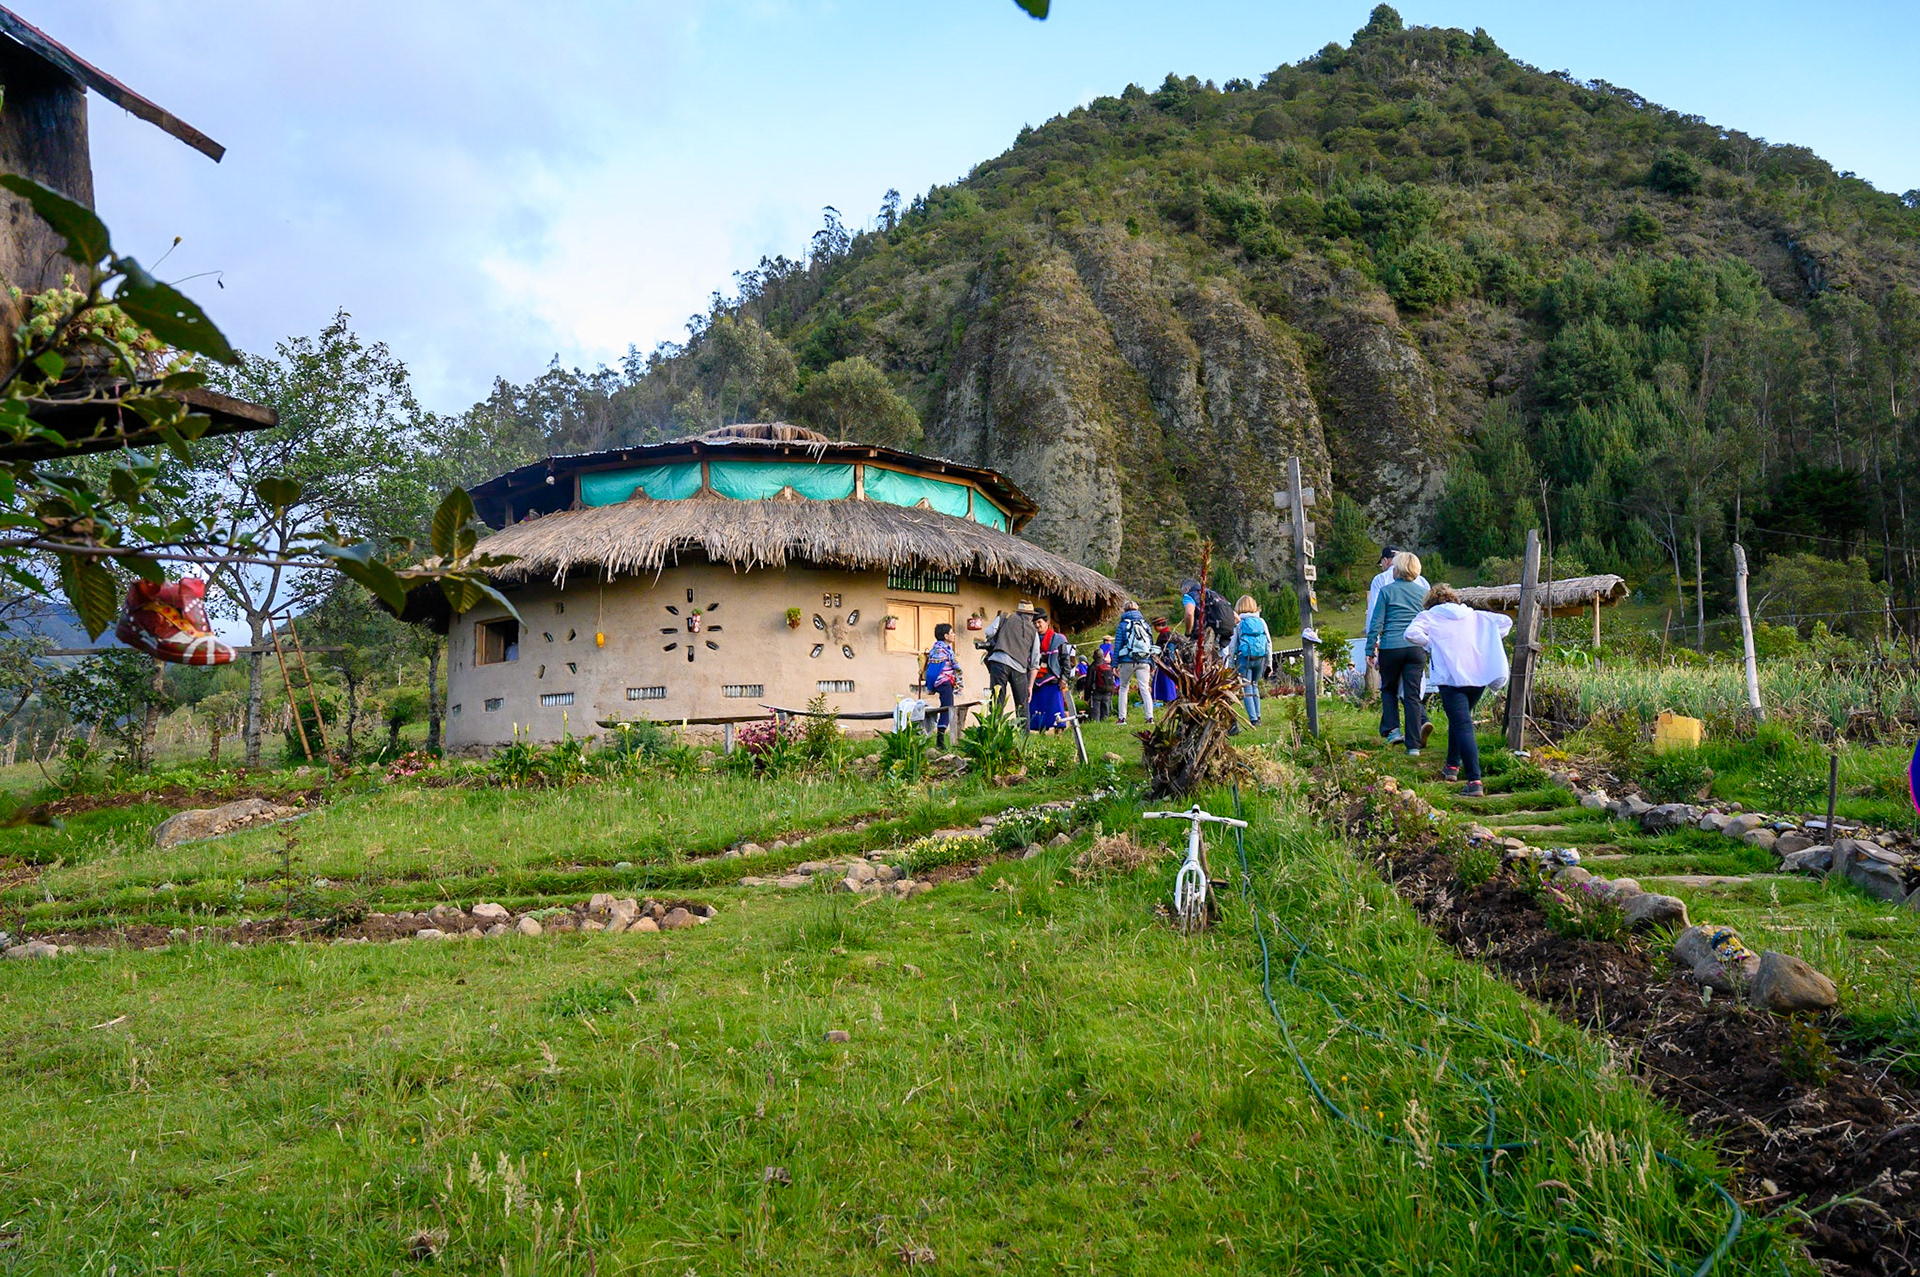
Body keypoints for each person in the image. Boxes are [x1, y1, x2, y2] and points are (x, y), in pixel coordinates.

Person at [1404, 584, 1513, 796]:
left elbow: (1411, 634)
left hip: (1451, 679)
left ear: (1431, 602)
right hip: (1478, 678)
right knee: (1459, 720)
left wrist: (1432, 644)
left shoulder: (1429, 616)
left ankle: (1474, 780)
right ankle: (1452, 766)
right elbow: (1505, 623)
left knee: (1463, 725)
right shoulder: (1476, 616)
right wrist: (1484, 639)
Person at [1367, 551, 1432, 754]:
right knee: (1412, 696)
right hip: (1415, 648)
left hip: (1391, 647)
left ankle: (1393, 730)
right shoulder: (1424, 594)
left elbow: (1376, 623)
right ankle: (1414, 746)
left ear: (1398, 570)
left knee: (1388, 689)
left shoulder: (1386, 591)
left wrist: (1370, 650)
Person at [982, 601, 1040, 732]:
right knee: (1022, 705)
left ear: (1018, 612)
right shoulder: (1033, 631)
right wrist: (1030, 685)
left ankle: (994, 734)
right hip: (1019, 667)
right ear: (1030, 616)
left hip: (999, 662)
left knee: (997, 701)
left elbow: (988, 632)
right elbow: (1035, 661)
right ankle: (1023, 739)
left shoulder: (1005, 617)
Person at [1365, 546, 1430, 637]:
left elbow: (1374, 610)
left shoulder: (1380, 579)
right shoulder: (1422, 581)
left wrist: (1371, 635)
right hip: (1417, 636)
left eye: (1381, 563)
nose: (1382, 566)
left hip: (1391, 635)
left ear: (1385, 560)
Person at [1113, 599, 1156, 725]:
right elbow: (1151, 644)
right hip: (1144, 660)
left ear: (1124, 610)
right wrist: (1152, 663)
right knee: (1144, 688)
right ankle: (1150, 717)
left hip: (1127, 660)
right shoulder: (1145, 624)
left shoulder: (1122, 625)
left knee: (1123, 687)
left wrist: (1115, 665)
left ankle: (1122, 718)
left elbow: (1118, 645)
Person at [1231, 595, 1272, 726]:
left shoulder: (1239, 623)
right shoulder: (1261, 621)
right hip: (1260, 658)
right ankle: (1258, 716)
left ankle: (1253, 719)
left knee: (1246, 687)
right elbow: (1268, 642)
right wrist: (1269, 662)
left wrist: (1231, 664)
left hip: (1245, 658)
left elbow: (1232, 645)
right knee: (1254, 685)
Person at [921, 622, 962, 747]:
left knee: (947, 707)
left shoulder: (945, 649)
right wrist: (931, 685)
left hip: (945, 682)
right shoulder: (940, 650)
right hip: (944, 683)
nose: (954, 635)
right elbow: (933, 670)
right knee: (948, 708)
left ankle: (941, 738)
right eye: (951, 633)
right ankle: (940, 739)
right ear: (945, 636)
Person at [1028, 612, 1070, 732]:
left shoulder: (1058, 639)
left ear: (1047, 622)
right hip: (1035, 681)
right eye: (1035, 623)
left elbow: (1065, 660)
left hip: (1052, 680)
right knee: (1037, 710)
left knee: (1055, 709)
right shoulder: (1031, 639)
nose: (1037, 625)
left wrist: (1064, 678)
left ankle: (1059, 731)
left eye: (1039, 622)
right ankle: (1040, 732)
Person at [1182, 578, 1238, 660]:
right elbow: (1237, 618)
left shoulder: (1189, 595)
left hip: (1201, 637)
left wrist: (1188, 632)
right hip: (1219, 638)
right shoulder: (1215, 595)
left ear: (1187, 589)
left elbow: (1189, 613)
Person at [1150, 617, 1184, 707]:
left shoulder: (1166, 635)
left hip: (1166, 664)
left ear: (1160, 626)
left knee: (1167, 682)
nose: (1154, 629)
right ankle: (1166, 700)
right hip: (1164, 663)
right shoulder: (1165, 634)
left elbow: (1170, 650)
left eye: (1155, 626)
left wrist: (1169, 664)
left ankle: (1170, 700)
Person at [1085, 637, 1117, 722]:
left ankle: (1096, 727)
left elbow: (1088, 682)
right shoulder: (1108, 666)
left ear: (1094, 657)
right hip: (1107, 691)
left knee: (1095, 715)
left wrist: (1086, 697)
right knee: (1105, 714)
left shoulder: (1092, 667)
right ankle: (1106, 727)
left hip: (1096, 693)